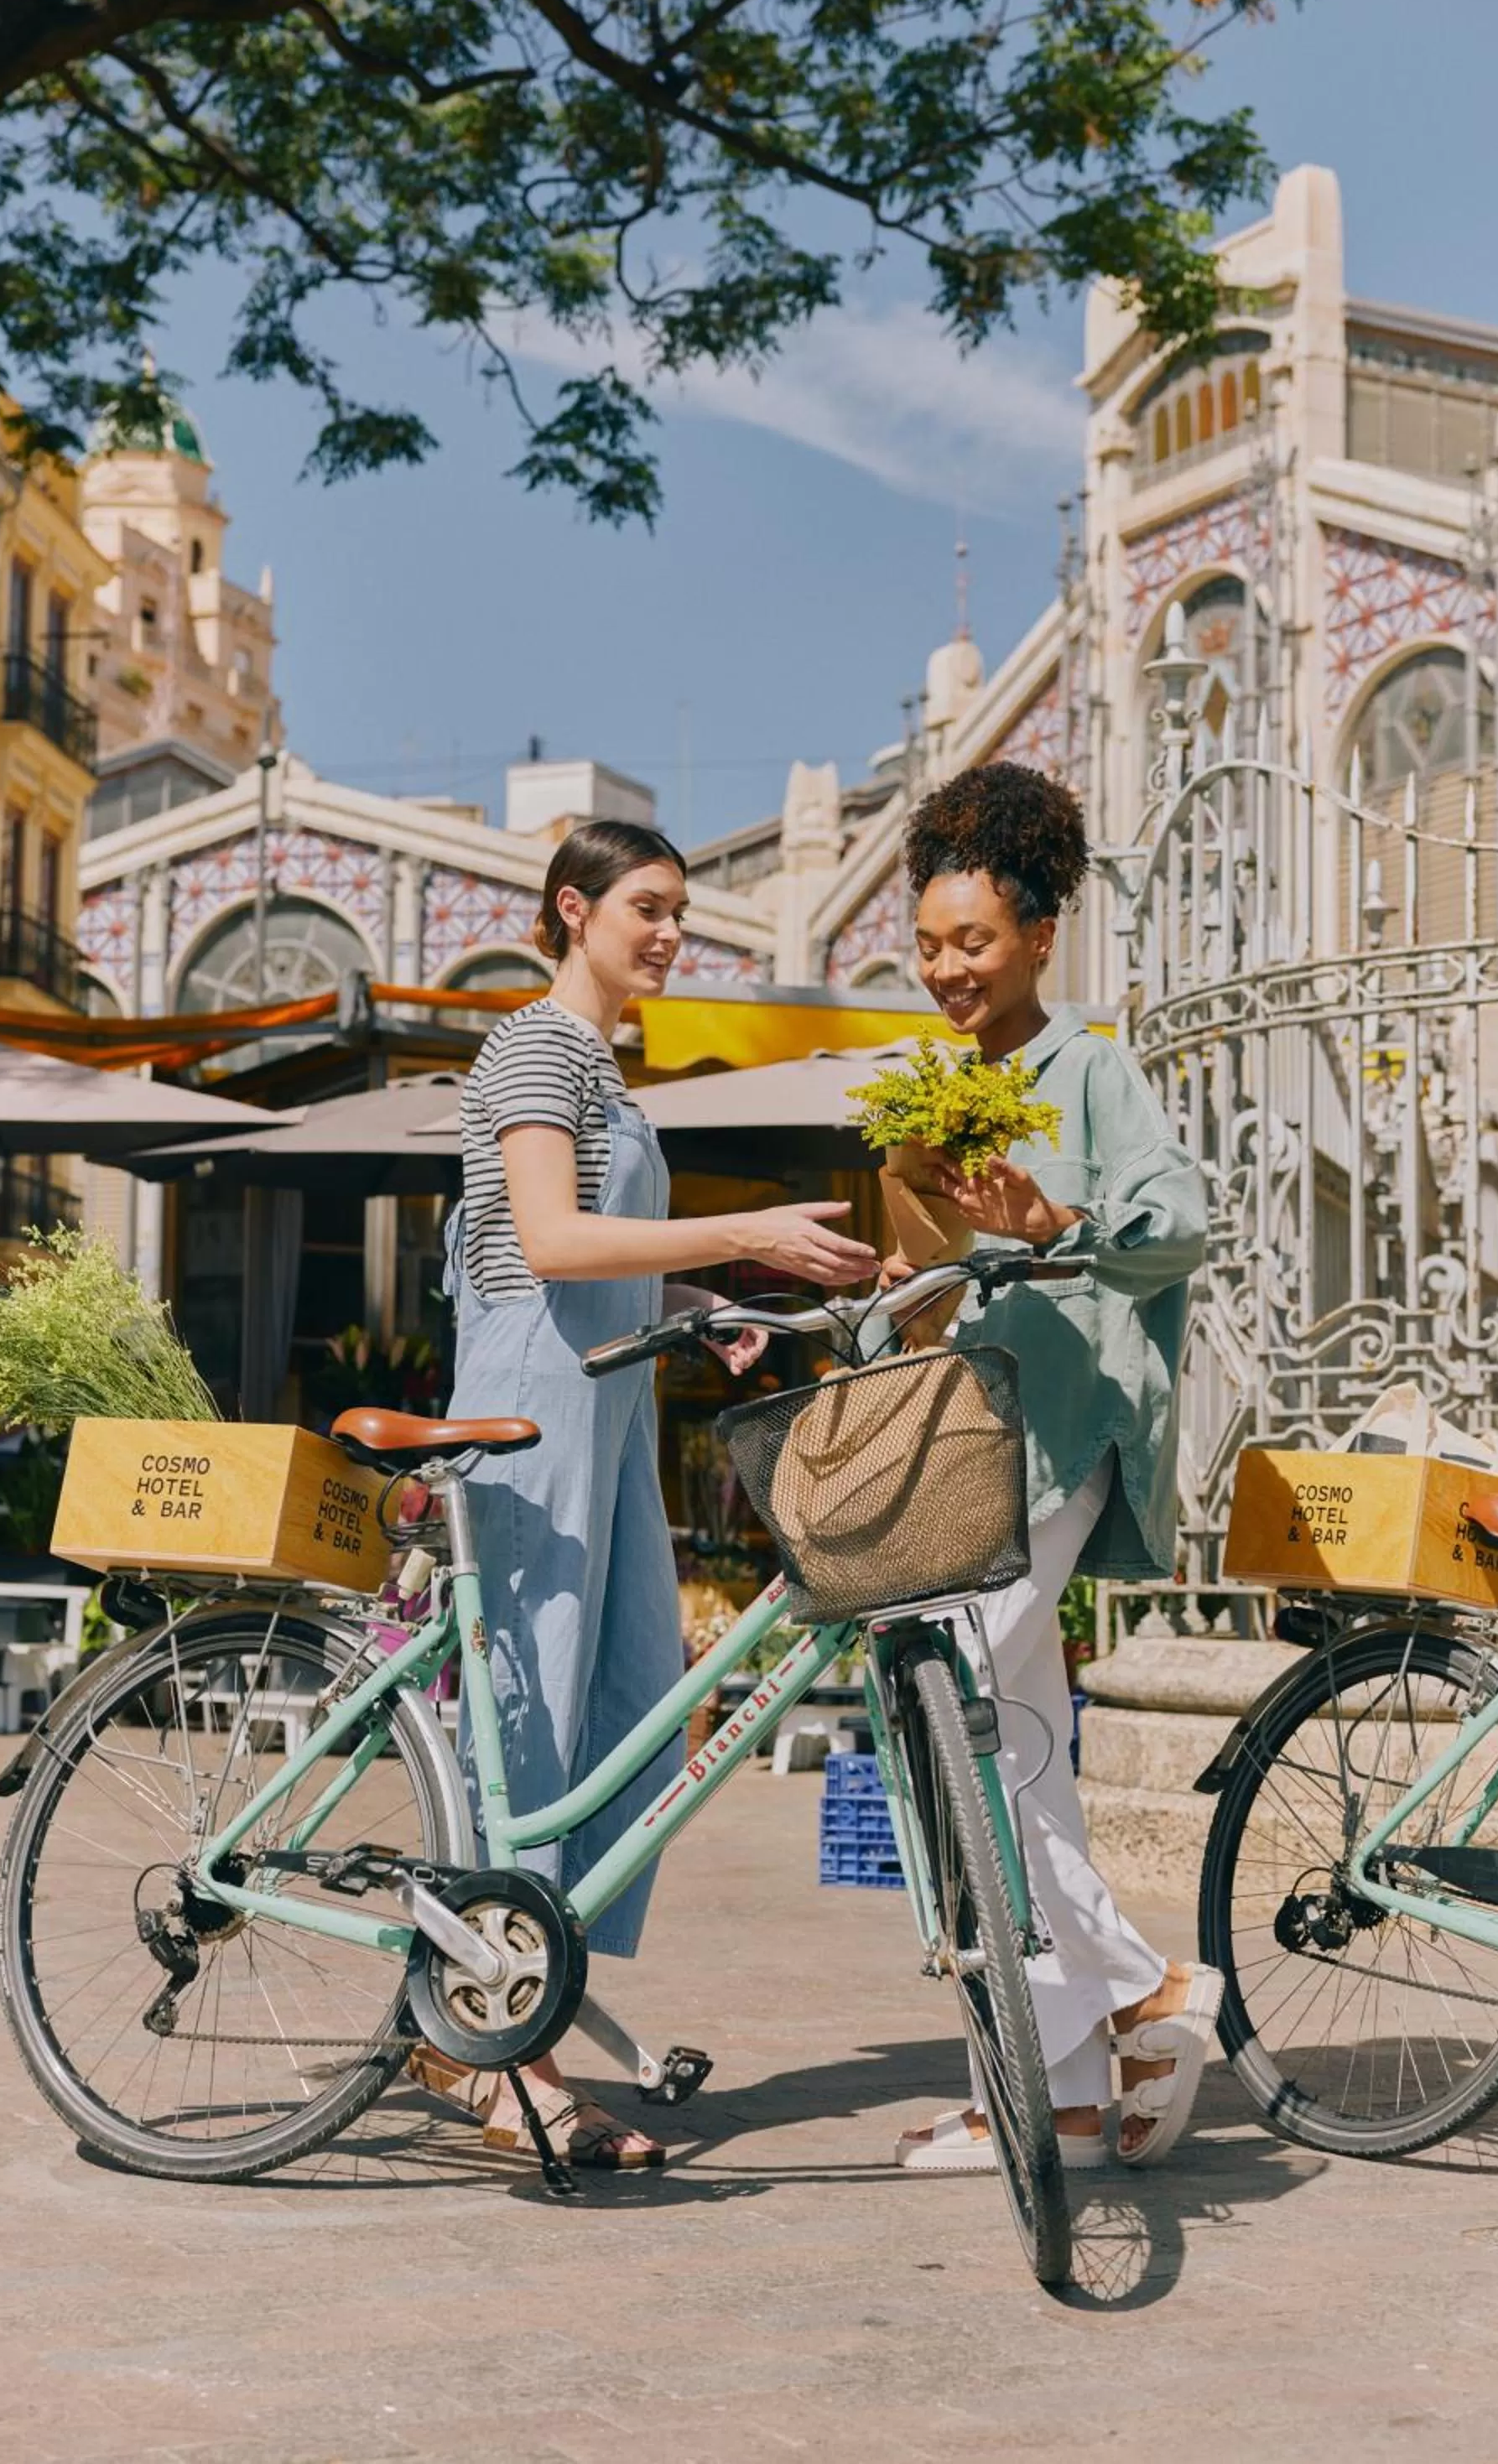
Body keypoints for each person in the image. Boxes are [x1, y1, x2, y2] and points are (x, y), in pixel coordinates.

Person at [409, 817, 877, 2168]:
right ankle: (504, 2055)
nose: (671, 932)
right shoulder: (538, 1046)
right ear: (574, 910)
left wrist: (694, 1298)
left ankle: (502, 2013)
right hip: (531, 1411)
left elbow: (583, 1254)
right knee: (537, 1723)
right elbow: (546, 1242)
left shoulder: (610, 1077)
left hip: (605, 1404)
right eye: (649, 908)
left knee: (627, 1706)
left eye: (681, 911)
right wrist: (742, 1232)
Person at [887, 762, 1222, 2172]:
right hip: (975, 1443)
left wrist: (1059, 1215)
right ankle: (1061, 2102)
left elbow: (1176, 1220)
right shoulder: (937, 1094)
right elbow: (929, 1283)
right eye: (926, 947)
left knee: (960, 1720)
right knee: (1015, 1759)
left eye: (973, 941)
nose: (948, 969)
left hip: (1065, 1433)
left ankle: (1148, 1984)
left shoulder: (1086, 1065)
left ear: (1038, 937)